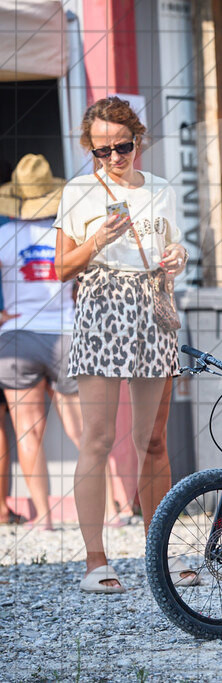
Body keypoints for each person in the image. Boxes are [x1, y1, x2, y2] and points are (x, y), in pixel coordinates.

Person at [53, 96, 189, 593]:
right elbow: (62, 266)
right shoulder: (78, 191)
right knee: (99, 437)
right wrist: (96, 243)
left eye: (122, 147)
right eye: (101, 150)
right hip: (103, 301)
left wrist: (178, 256)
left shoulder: (162, 190)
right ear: (90, 150)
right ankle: (95, 562)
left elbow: (171, 249)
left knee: (153, 441)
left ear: (139, 141)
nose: (112, 159)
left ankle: (162, 555)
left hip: (153, 301)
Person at [0, 155, 84, 531]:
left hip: (17, 339)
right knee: (85, 430)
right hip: (66, 333)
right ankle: (113, 509)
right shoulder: (66, 234)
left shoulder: (3, 236)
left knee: (27, 432)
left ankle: (44, 519)